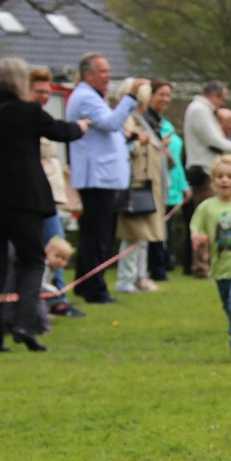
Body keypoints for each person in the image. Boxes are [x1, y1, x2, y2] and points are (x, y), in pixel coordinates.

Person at [0, 57, 89, 352]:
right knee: (31, 261)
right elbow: (61, 132)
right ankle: (25, 323)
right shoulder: (29, 112)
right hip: (24, 200)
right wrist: (81, 127)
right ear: (21, 82)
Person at [65, 53, 141, 304]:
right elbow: (110, 123)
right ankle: (95, 289)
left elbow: (106, 130)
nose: (108, 76)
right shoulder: (86, 96)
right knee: (98, 236)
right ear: (88, 75)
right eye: (103, 71)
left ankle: (85, 284)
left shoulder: (90, 96)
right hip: (97, 177)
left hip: (100, 177)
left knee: (93, 234)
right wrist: (131, 97)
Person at [190, 154, 231, 360]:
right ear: (213, 181)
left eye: (230, 176)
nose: (224, 180)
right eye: (219, 177)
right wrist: (197, 237)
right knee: (229, 304)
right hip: (219, 267)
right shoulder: (207, 206)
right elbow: (196, 227)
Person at [27, 68, 80, 315]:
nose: (44, 96)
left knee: (56, 246)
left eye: (47, 92)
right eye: (38, 91)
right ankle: (56, 299)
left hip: (51, 194)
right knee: (55, 247)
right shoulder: (28, 120)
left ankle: (54, 297)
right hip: (37, 196)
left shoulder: (41, 116)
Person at [113, 79, 167, 294]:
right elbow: (123, 148)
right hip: (135, 186)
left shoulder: (138, 119)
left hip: (146, 185)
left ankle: (139, 277)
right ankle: (126, 280)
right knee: (133, 234)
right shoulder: (127, 119)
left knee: (142, 236)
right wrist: (138, 143)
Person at [144, 78, 182, 283]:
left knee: (164, 228)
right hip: (150, 182)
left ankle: (159, 268)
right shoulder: (146, 120)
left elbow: (175, 160)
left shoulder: (164, 123)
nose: (165, 99)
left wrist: (183, 185)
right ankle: (155, 269)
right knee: (153, 227)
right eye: (161, 94)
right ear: (150, 96)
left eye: (168, 95)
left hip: (168, 182)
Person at [183, 80, 231, 170]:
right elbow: (213, 141)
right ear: (214, 95)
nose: (223, 104)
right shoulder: (199, 109)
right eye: (223, 99)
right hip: (202, 168)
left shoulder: (202, 109)